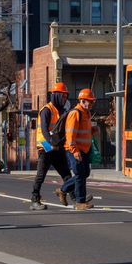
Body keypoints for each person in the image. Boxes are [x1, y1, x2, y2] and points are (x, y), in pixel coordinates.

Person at [30, 82, 74, 210]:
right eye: (63, 96)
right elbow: (44, 130)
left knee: (67, 175)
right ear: (56, 95)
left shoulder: (62, 111)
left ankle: (76, 199)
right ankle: (34, 200)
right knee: (40, 175)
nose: (65, 99)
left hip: (57, 147)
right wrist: (51, 144)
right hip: (45, 146)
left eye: (66, 97)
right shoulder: (46, 110)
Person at [60, 88, 96, 210]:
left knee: (85, 173)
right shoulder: (75, 113)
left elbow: (83, 132)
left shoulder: (86, 113)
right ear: (82, 100)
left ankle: (63, 190)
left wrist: (93, 131)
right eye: (89, 101)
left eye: (92, 102)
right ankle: (80, 202)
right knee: (80, 174)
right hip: (74, 149)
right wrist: (74, 151)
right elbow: (70, 135)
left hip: (84, 150)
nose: (91, 104)